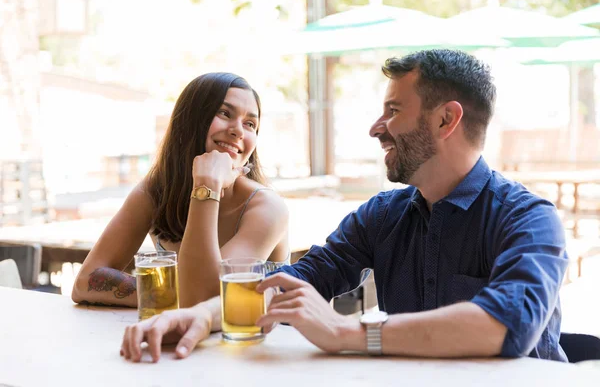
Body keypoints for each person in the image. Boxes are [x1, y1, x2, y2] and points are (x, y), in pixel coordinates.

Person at [119, 49, 569, 363]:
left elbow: (505, 326)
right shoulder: (381, 216)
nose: (377, 128)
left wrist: (348, 334)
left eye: (393, 110)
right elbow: (292, 281)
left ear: (446, 119)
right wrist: (196, 316)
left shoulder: (530, 219)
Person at [72, 72, 289, 308]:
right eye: (225, 113)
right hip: (181, 340)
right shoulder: (155, 192)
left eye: (250, 124)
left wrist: (207, 186)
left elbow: (206, 300)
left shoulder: (267, 207)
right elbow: (85, 282)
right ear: (191, 121)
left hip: (262, 340)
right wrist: (169, 293)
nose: (238, 131)